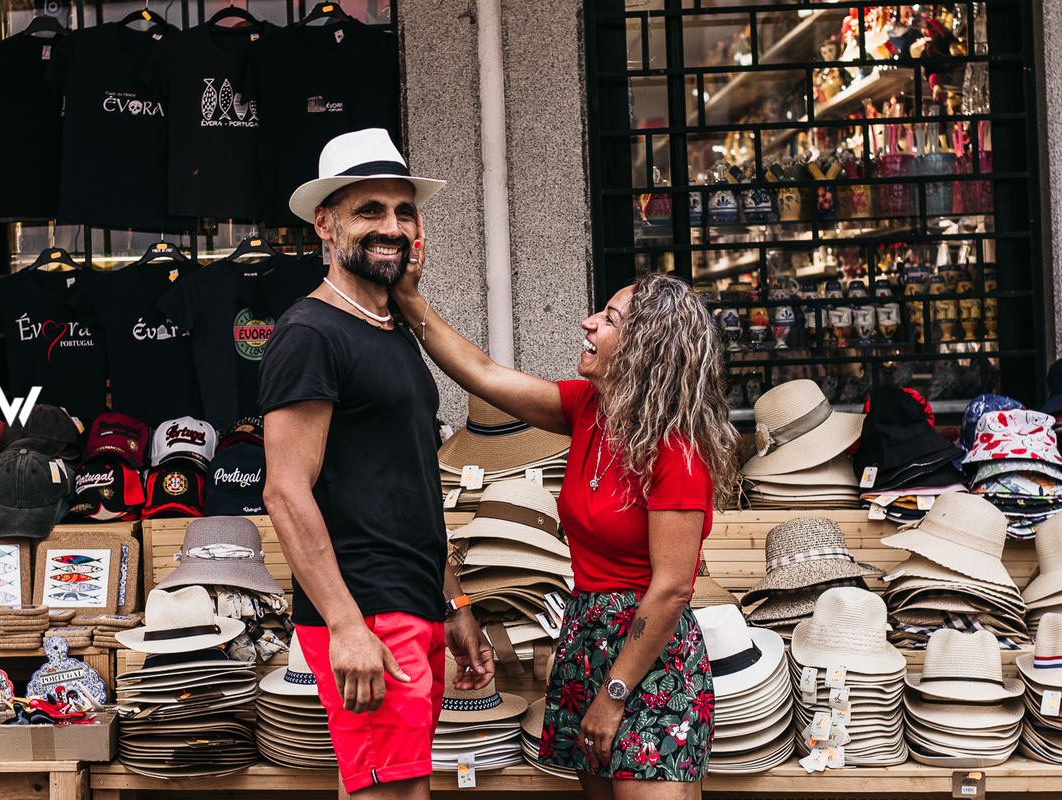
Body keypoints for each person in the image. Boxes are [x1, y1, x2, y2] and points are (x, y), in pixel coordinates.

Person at [391, 232, 740, 798]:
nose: (587, 323)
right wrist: (409, 299)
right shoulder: (587, 409)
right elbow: (482, 373)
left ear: (643, 348)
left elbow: (673, 589)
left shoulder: (676, 451)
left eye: (608, 319)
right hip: (585, 636)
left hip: (649, 657)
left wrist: (614, 695)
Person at [259, 128, 494, 800]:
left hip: (408, 601)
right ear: (324, 224)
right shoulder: (311, 333)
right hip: (365, 608)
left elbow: (403, 484)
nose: (392, 227)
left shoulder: (390, 329)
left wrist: (451, 600)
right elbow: (285, 492)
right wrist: (344, 623)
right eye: (369, 210)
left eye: (404, 211)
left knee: (399, 788)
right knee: (392, 793)